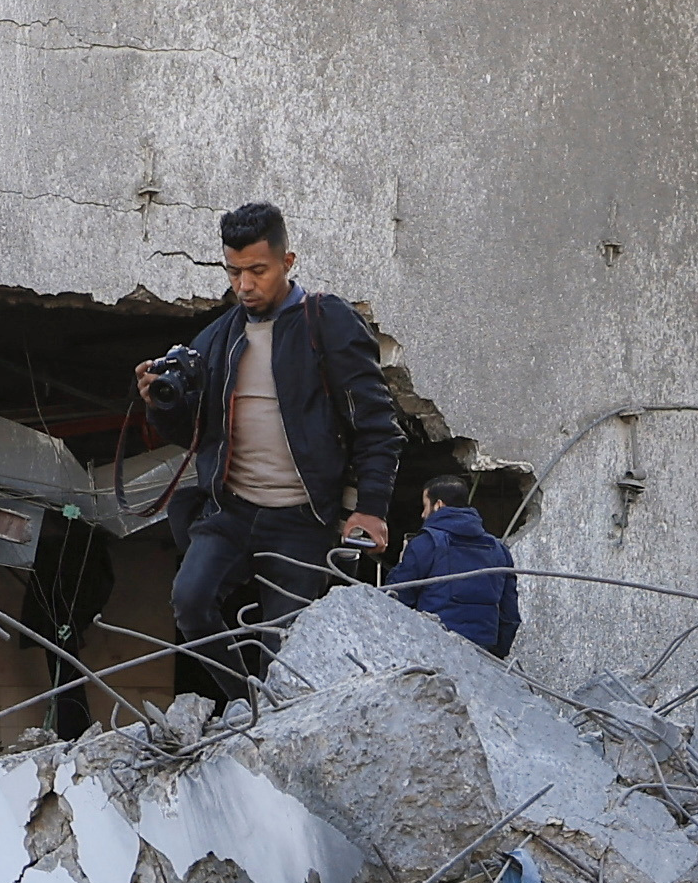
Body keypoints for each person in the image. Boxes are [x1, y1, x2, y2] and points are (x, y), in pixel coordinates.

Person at [136, 202, 401, 706]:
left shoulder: (329, 323)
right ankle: (247, 710)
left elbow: (376, 424)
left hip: (304, 520)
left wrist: (371, 507)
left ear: (288, 261)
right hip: (231, 511)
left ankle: (274, 717)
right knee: (190, 603)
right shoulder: (217, 338)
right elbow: (193, 431)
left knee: (283, 651)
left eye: (258, 270)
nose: (245, 285)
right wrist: (158, 405)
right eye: (234, 272)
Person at [382, 471, 520, 659]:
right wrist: (496, 656)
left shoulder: (427, 543)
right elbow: (509, 615)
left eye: (425, 506)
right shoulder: (499, 550)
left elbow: (396, 598)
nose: (423, 514)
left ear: (438, 505)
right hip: (482, 656)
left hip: (432, 651)